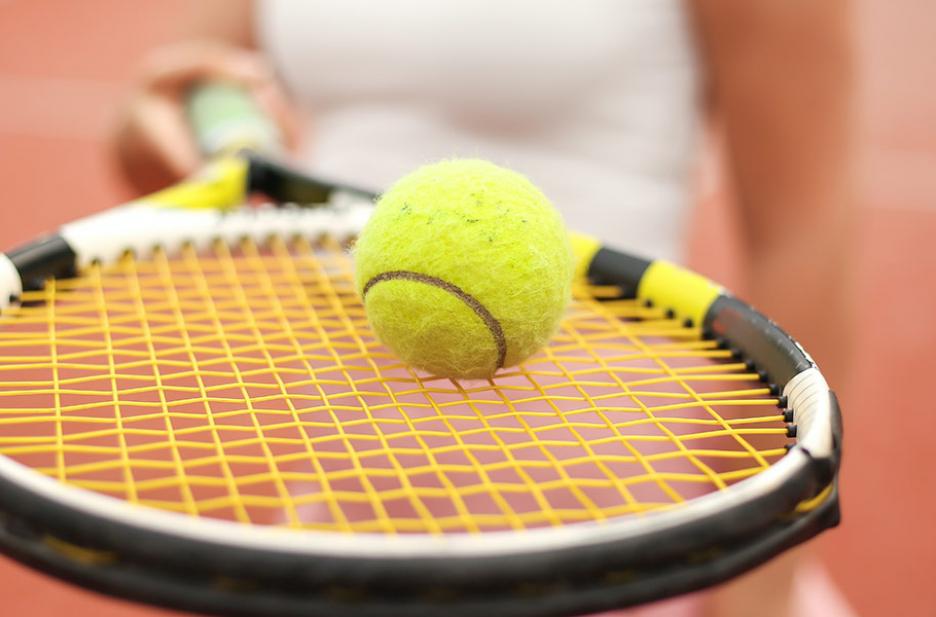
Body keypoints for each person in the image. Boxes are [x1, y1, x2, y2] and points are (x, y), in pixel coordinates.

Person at [112, 2, 855, 615]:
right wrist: (166, 121)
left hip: (620, 541)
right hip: (346, 504)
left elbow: (805, 233)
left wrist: (755, 586)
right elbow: (186, 90)